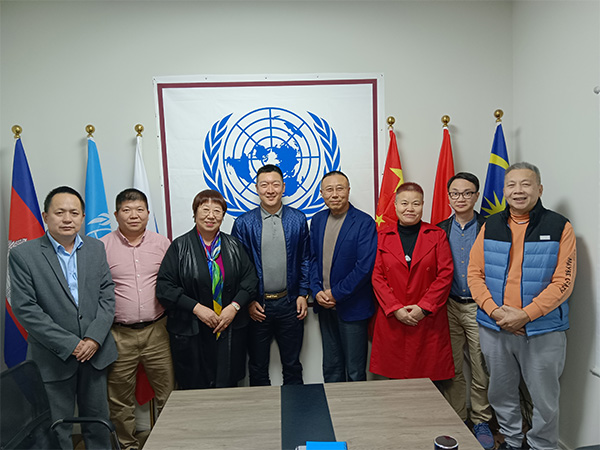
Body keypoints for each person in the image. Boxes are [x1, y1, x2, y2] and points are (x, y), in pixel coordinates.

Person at [468, 162, 576, 450]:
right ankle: (512, 441)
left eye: (526, 184)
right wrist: (495, 312)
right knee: (501, 393)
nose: (518, 190)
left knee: (545, 399)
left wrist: (526, 315)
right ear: (504, 190)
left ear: (539, 189)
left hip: (542, 330)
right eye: (511, 185)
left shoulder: (559, 226)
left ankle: (542, 445)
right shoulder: (490, 225)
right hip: (495, 327)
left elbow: (563, 282)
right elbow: (474, 273)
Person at [9, 186, 117, 449]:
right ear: (45, 216)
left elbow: (107, 296)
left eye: (74, 213)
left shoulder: (96, 248)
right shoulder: (23, 255)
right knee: (57, 429)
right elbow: (26, 309)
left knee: (98, 425)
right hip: (52, 358)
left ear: (82, 217)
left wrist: (93, 338)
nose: (67, 219)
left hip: (95, 354)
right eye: (60, 213)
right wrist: (71, 344)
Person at [156, 189, 257, 389]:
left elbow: (250, 279)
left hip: (228, 328)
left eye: (217, 211)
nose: (211, 216)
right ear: (195, 213)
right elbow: (165, 287)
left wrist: (234, 307)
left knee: (228, 386)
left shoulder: (234, 245)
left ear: (223, 216)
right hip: (192, 331)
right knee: (195, 388)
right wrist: (196, 308)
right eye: (205, 210)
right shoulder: (179, 246)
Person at [100, 188, 174, 450]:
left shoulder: (162, 244)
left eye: (140, 209)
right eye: (127, 210)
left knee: (169, 394)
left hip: (158, 331)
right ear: (116, 214)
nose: (134, 215)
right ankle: (127, 445)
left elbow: (173, 284)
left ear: (148, 213)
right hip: (118, 334)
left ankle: (167, 444)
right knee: (119, 399)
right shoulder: (101, 247)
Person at [231, 164, 310, 386]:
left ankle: (296, 407)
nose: (270, 190)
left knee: (292, 365)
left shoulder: (298, 219)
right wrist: (248, 301)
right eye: (264, 185)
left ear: (283, 187)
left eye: (275, 184)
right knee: (257, 367)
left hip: (290, 304)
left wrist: (303, 293)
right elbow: (237, 268)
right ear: (257, 188)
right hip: (258, 307)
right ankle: (262, 409)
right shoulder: (243, 223)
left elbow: (305, 259)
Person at [370, 182, 454, 382]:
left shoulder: (437, 235)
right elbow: (376, 276)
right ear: (395, 205)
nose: (410, 208)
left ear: (423, 205)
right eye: (404, 203)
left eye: (416, 204)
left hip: (427, 318)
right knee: (394, 382)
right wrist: (395, 308)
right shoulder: (381, 236)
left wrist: (424, 308)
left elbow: (445, 275)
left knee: (428, 381)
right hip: (393, 318)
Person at [437, 173, 494, 450]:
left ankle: (481, 419)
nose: (461, 198)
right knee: (452, 366)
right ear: (448, 197)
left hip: (479, 307)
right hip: (448, 305)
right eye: (455, 193)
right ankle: (457, 417)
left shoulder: (490, 227)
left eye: (467, 193)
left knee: (481, 366)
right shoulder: (439, 229)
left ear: (476, 196)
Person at [309, 170, 377, 382]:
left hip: (353, 307)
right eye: (329, 189)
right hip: (324, 306)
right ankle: (333, 404)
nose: (335, 194)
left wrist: (336, 294)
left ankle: (356, 407)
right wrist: (317, 290)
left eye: (340, 188)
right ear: (322, 193)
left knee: (355, 371)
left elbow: (364, 267)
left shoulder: (364, 222)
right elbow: (312, 259)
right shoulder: (318, 220)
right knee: (331, 368)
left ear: (348, 190)